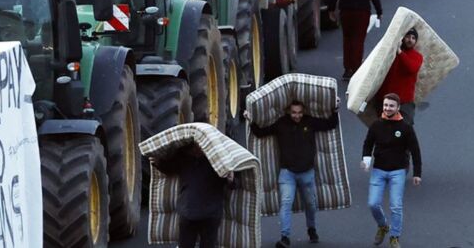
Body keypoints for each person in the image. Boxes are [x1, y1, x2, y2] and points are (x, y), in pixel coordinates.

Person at [244, 100, 339, 248]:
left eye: (300, 112)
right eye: (294, 112)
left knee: (310, 204)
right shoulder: (281, 123)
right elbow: (261, 132)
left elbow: (330, 124)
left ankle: (311, 229)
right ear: (289, 111)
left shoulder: (310, 121)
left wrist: (335, 109)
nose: (297, 116)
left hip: (307, 172)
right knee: (286, 203)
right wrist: (250, 120)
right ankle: (285, 237)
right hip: (287, 173)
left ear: (304, 111)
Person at [362, 93, 421, 248]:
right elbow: (368, 144)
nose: (388, 108)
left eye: (391, 106)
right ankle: (383, 226)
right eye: (386, 105)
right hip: (378, 170)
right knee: (373, 204)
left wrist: (417, 174)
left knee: (396, 206)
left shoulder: (405, 128)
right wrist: (366, 160)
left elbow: (415, 151)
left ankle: (394, 237)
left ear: (398, 108)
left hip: (398, 171)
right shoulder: (376, 125)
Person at [150, 143, 234, 248]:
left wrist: (231, 180)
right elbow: (170, 169)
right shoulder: (183, 157)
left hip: (209, 213)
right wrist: (158, 163)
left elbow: (232, 182)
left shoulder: (219, 159)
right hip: (189, 212)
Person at [373, 28, 424, 126]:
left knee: (404, 128)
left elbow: (411, 68)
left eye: (413, 38)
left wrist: (400, 53)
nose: (410, 40)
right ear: (403, 38)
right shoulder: (391, 53)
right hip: (385, 99)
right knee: (385, 129)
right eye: (408, 36)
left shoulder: (417, 56)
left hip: (404, 101)